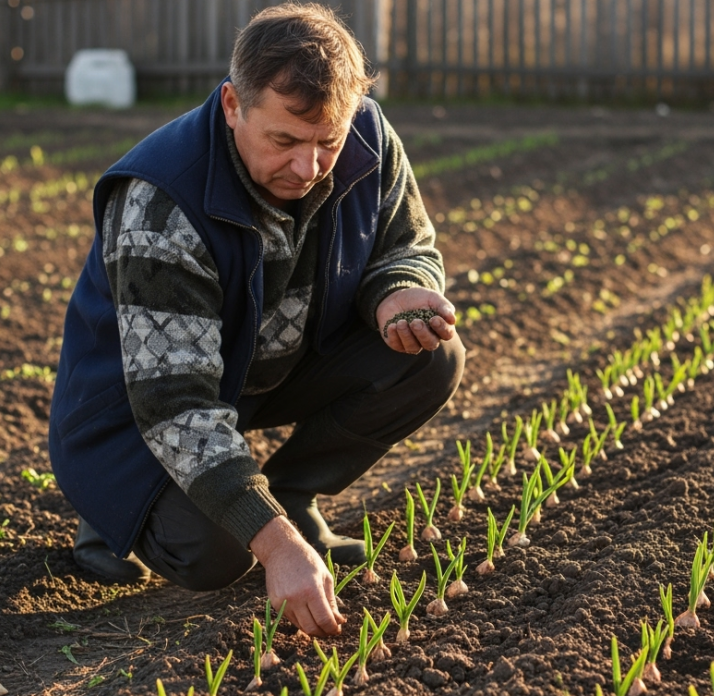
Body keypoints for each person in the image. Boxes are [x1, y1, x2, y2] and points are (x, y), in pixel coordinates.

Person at [47, 3, 463, 638]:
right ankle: (112, 508)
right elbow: (176, 405)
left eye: (328, 142)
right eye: (285, 142)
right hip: (134, 412)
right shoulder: (163, 201)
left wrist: (397, 293)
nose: (309, 167)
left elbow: (405, 243)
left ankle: (291, 498)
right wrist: (275, 549)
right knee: (220, 556)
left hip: (260, 369)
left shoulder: (369, 140)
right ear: (233, 105)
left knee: (430, 356)